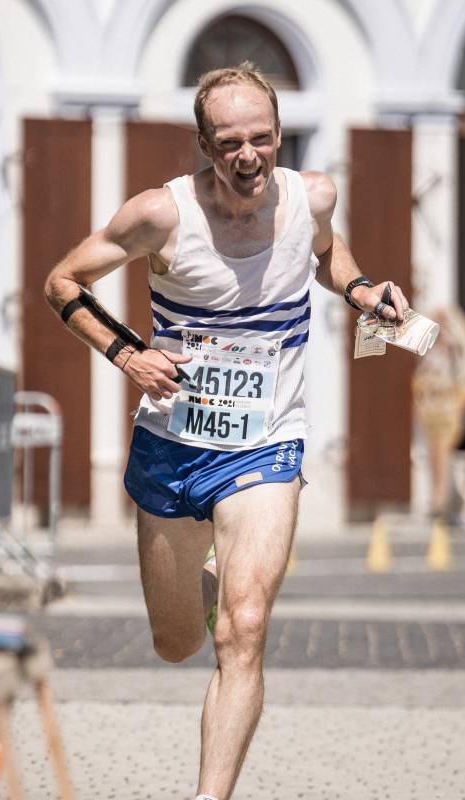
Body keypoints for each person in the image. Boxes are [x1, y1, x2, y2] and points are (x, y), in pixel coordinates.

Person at [44, 62, 409, 800]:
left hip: (268, 440)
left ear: (280, 134)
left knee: (244, 626)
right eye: (229, 142)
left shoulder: (313, 196)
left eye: (263, 139)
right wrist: (127, 353)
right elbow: (63, 282)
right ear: (204, 143)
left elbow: (327, 255)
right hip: (173, 447)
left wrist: (364, 289)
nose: (248, 156)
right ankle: (205, 591)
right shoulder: (160, 214)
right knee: (177, 643)